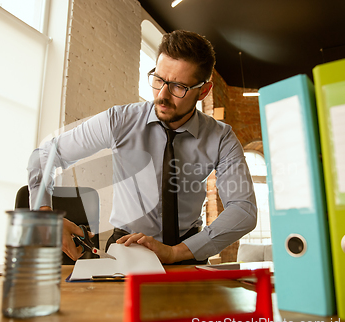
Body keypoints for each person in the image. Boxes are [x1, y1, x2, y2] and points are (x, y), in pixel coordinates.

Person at [28, 30, 257, 265]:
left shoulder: (221, 137)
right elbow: (44, 155)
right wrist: (45, 213)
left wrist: (176, 252)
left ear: (203, 91)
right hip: (126, 250)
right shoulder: (119, 121)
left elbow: (243, 209)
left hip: (187, 254)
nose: (163, 95)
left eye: (178, 86)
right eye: (159, 80)